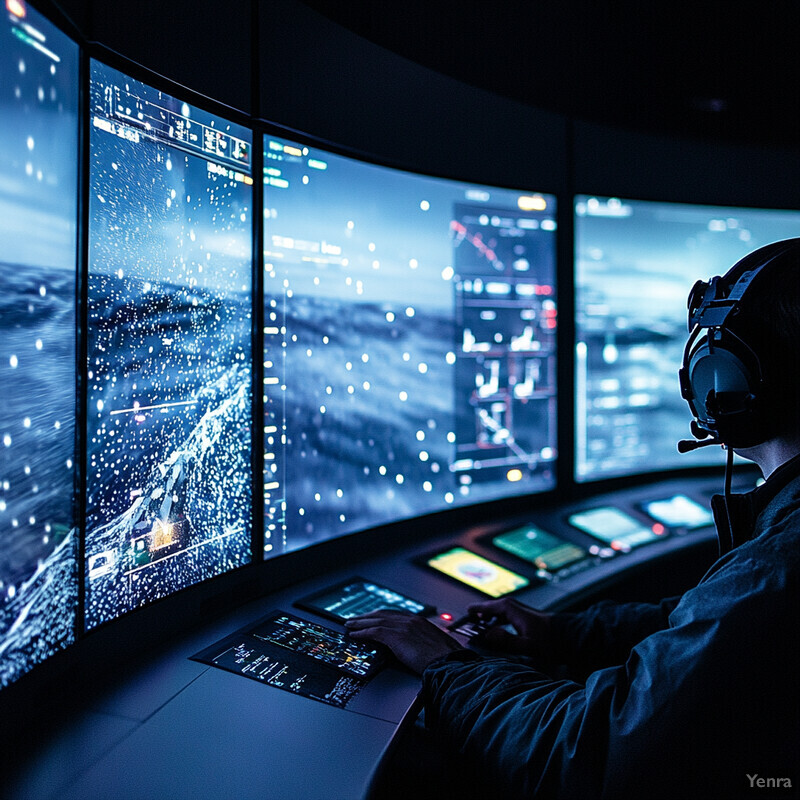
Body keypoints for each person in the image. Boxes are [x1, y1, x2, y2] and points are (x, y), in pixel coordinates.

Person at [346, 239, 800, 799]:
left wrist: (448, 667)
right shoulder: (778, 551)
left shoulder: (780, 562)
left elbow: (591, 751)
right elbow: (709, 625)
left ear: (728, 381)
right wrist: (562, 633)